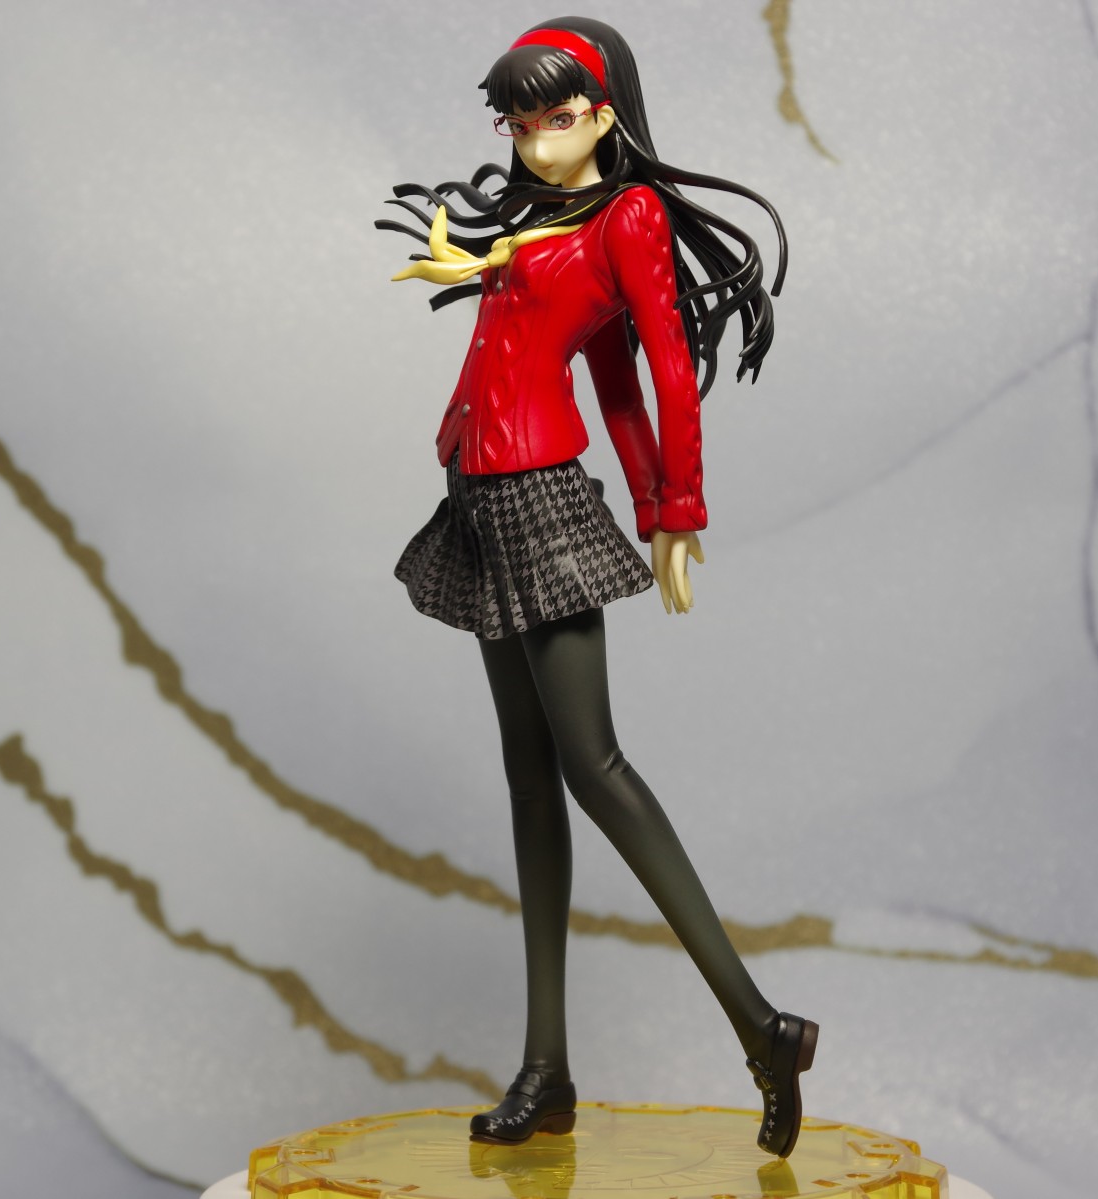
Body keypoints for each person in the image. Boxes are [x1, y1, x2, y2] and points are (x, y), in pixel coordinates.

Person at [381, 16, 817, 1158]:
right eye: (518, 121)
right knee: (530, 781)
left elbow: (660, 367)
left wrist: (675, 508)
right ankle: (547, 1067)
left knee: (595, 767)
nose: (535, 139)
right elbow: (611, 371)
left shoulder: (625, 216)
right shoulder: (538, 217)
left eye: (557, 116)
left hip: (538, 496)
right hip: (478, 496)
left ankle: (762, 1025)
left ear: (606, 112)